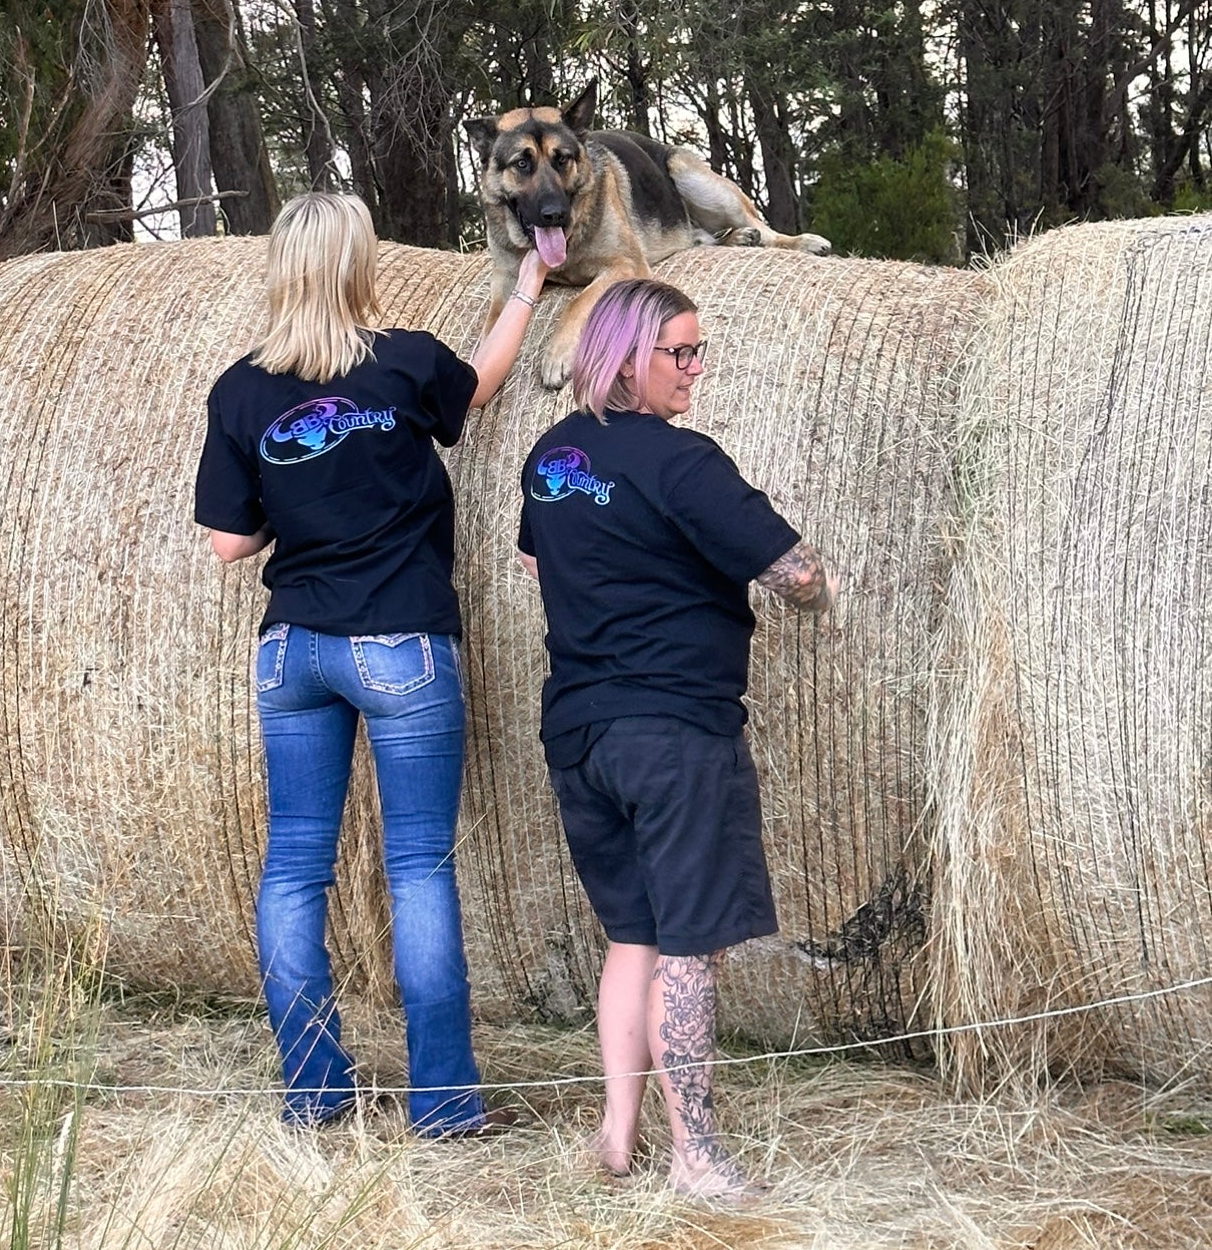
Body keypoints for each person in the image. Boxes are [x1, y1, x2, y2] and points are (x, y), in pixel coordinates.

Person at [195, 190, 548, 1133]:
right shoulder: (403, 361)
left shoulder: (240, 388)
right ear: (359, 264)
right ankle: (441, 1102)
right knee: (420, 868)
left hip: (292, 651)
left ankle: (313, 1089)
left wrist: (298, 507)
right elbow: (480, 381)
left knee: (293, 870)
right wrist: (529, 288)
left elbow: (229, 544)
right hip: (399, 643)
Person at [516, 276, 836, 1199]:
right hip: (676, 733)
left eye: (700, 350)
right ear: (625, 357)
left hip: (580, 730)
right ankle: (695, 1153)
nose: (697, 369)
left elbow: (539, 553)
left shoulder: (550, 456)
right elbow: (797, 570)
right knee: (690, 949)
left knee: (633, 938)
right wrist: (818, 592)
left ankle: (616, 1138)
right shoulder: (685, 462)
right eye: (680, 353)